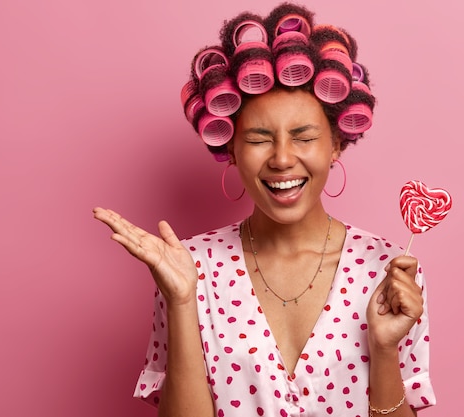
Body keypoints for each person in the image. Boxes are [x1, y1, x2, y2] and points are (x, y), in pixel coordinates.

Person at [93, 3, 436, 416]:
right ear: (231, 150)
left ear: (336, 145)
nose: (282, 159)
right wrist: (182, 301)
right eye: (258, 139)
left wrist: (383, 349)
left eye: (304, 137)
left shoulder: (389, 270)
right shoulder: (188, 267)